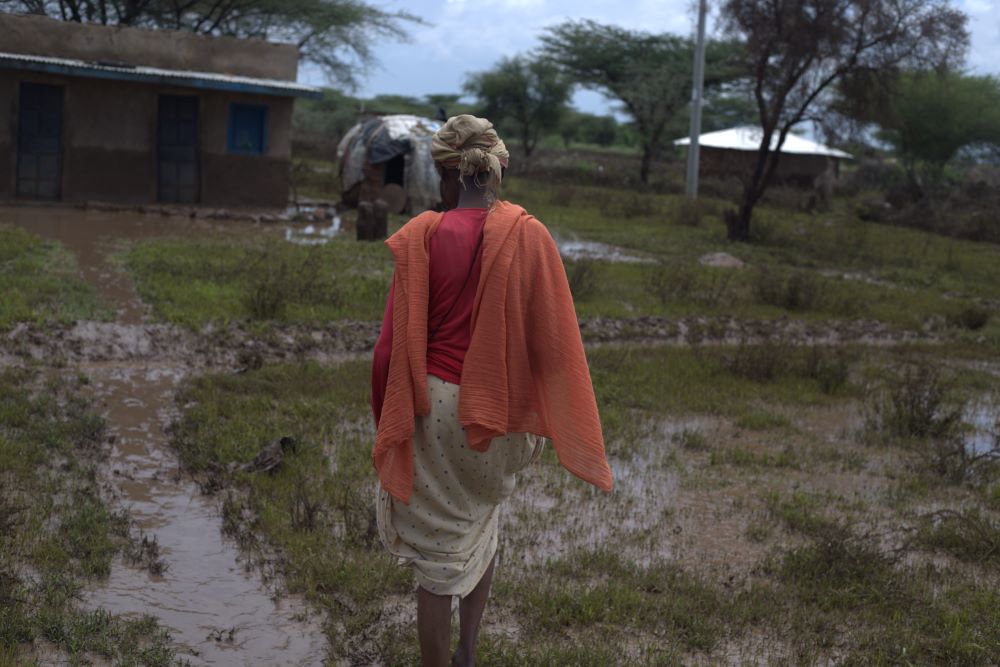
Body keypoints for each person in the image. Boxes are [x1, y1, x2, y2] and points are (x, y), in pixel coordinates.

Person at [371, 115, 613, 667]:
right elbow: (553, 343)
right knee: (483, 526)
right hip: (497, 412)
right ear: (497, 170)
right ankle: (469, 653)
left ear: (446, 176)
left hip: (432, 411)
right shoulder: (529, 234)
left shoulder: (422, 236)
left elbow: (389, 348)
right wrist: (543, 413)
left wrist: (387, 413)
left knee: (438, 561)